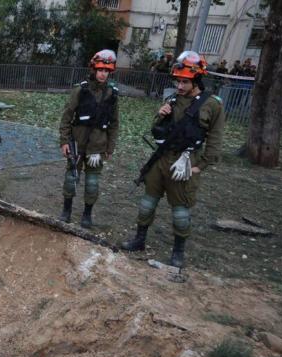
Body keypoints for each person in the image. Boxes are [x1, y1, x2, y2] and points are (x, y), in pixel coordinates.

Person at [121, 51, 225, 268]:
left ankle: (178, 251)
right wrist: (161, 114)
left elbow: (215, 141)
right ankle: (139, 239)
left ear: (196, 80)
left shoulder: (212, 105)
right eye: (177, 81)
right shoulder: (173, 98)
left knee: (180, 210)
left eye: (184, 82)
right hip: (161, 159)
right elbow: (156, 129)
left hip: (186, 160)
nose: (179, 86)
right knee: (147, 202)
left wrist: (199, 167)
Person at [58, 49, 120, 228]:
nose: (103, 74)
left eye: (107, 71)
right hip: (77, 143)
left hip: (97, 147)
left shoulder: (112, 94)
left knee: (92, 183)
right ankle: (66, 211)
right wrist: (64, 141)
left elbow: (115, 123)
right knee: (71, 178)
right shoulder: (81, 89)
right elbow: (67, 116)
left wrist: (110, 148)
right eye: (100, 70)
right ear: (94, 69)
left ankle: (87, 214)